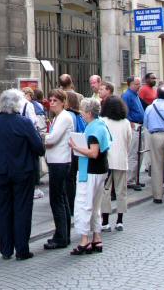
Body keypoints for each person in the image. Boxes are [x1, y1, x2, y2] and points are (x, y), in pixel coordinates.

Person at [0, 89, 44, 260]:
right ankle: (22, 249)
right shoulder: (24, 123)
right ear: (18, 104)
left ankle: (6, 249)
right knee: (22, 209)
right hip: (22, 171)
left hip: (1, 171)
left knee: (3, 210)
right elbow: (38, 147)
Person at [69, 98, 111, 255]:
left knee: (84, 204)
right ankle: (97, 237)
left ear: (88, 113)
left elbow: (93, 153)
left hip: (91, 171)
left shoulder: (93, 129)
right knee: (95, 205)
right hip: (101, 170)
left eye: (82, 111)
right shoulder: (101, 125)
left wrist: (76, 147)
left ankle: (84, 240)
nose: (81, 113)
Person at [43, 89, 73, 250]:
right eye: (51, 100)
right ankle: (63, 234)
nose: (52, 102)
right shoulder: (59, 118)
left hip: (59, 162)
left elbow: (52, 139)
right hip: (58, 161)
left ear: (62, 102)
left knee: (57, 200)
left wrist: (43, 137)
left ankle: (61, 236)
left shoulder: (64, 118)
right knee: (61, 198)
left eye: (55, 100)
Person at [100, 96, 132, 232]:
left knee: (105, 191)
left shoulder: (102, 121)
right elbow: (128, 141)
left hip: (106, 160)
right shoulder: (125, 122)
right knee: (121, 191)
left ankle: (105, 221)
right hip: (120, 159)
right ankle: (120, 220)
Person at [64, 91, 86, 216]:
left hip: (72, 150)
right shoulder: (79, 115)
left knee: (69, 181)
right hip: (78, 151)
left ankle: (71, 207)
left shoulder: (69, 115)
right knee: (74, 180)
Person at [121, 76, 144, 191]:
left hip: (139, 126)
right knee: (133, 154)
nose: (139, 86)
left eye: (139, 84)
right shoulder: (127, 96)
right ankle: (130, 180)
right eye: (136, 84)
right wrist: (130, 122)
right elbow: (124, 111)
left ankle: (135, 178)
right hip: (134, 126)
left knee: (139, 153)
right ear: (130, 84)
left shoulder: (135, 95)